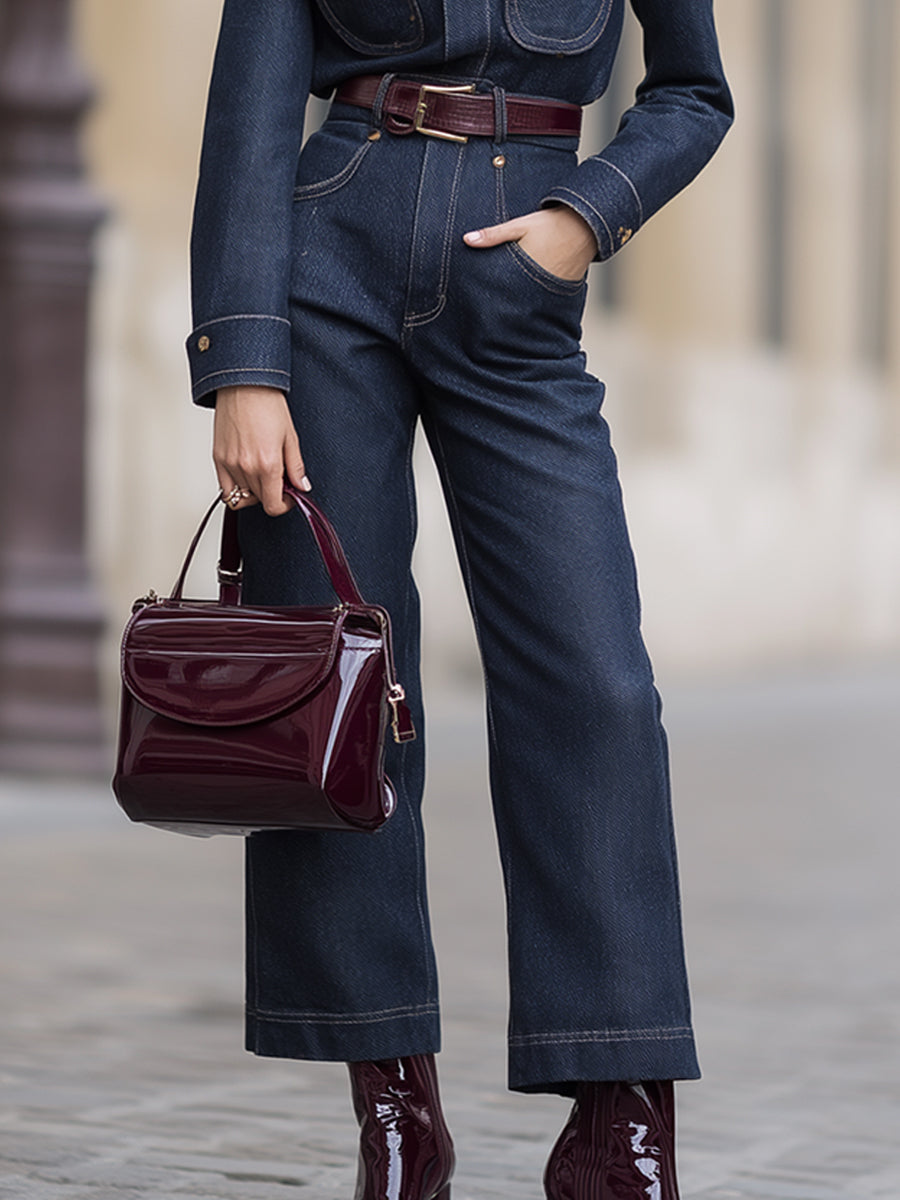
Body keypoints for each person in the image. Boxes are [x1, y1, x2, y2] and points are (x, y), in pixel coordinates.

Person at [186, 2, 732, 1196]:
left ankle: (619, 1108)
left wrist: (587, 219)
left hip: (522, 274)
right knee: (343, 691)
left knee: (597, 684)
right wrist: (243, 358)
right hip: (328, 252)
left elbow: (695, 92)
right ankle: (393, 1106)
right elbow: (253, 106)